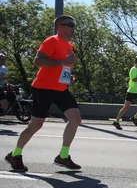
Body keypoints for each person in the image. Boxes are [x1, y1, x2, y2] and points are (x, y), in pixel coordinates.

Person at [5, 15, 82, 172]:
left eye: (74, 25)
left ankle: (63, 156)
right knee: (36, 124)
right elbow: (38, 61)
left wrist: (68, 77)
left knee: (75, 119)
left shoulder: (69, 46)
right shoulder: (51, 41)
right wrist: (62, 63)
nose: (73, 28)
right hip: (44, 88)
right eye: (69, 25)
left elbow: (64, 67)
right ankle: (15, 154)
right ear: (59, 27)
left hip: (61, 89)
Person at [113, 56, 137, 129]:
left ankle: (135, 118)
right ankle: (116, 121)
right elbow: (134, 79)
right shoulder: (133, 69)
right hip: (131, 91)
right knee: (126, 107)